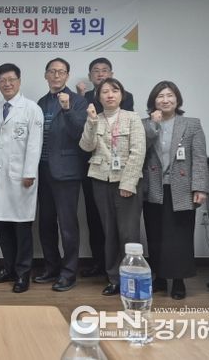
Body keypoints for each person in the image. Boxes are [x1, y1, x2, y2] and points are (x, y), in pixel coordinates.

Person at [142, 80, 209, 300]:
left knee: (180, 236)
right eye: (160, 96)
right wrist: (153, 125)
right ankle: (159, 278)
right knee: (155, 235)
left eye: (169, 95)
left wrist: (200, 187)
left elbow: (199, 157)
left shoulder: (191, 124)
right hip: (153, 187)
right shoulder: (145, 124)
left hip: (181, 187)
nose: (165, 100)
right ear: (153, 101)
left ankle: (178, 280)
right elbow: (141, 150)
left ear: (177, 99)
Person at [79, 77, 145, 296]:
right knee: (110, 233)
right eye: (105, 92)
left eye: (114, 90)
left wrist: (128, 183)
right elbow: (86, 146)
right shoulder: (94, 119)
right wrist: (91, 122)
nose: (109, 95)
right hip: (101, 180)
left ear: (121, 95)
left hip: (126, 182)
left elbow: (138, 152)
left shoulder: (132, 118)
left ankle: (132, 280)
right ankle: (114, 278)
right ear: (98, 97)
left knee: (128, 233)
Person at [0, 63, 43, 293]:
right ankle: (8, 268)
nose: (7, 84)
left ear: (19, 81)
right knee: (2, 226)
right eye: (2, 81)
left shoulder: (31, 108)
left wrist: (29, 173)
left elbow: (35, 144)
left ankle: (23, 273)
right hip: (1, 180)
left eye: (11, 79)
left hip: (21, 179)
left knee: (22, 228)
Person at [75, 57, 135, 278]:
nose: (100, 74)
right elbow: (84, 136)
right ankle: (100, 264)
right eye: (96, 71)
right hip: (94, 168)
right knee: (95, 219)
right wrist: (82, 99)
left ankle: (124, 270)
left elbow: (121, 127)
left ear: (112, 74)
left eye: (105, 70)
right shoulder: (84, 100)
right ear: (90, 76)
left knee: (123, 225)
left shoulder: (126, 100)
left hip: (121, 171)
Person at [34, 58, 88, 292]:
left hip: (66, 171)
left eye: (61, 72)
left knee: (67, 225)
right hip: (42, 169)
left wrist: (67, 109)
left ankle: (69, 273)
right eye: (52, 71)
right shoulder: (41, 102)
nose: (56, 75)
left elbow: (81, 133)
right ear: (46, 75)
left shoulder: (79, 101)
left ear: (67, 75)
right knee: (45, 223)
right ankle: (51, 267)